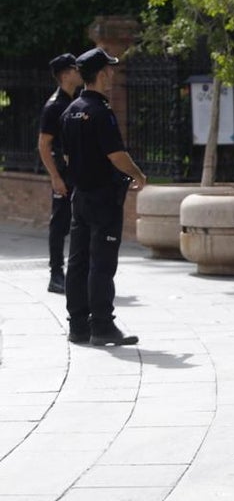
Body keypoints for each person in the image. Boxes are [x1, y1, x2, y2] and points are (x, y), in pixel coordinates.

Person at [60, 48, 147, 346]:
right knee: (102, 264)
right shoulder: (101, 112)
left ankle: (78, 326)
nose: (112, 74)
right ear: (100, 74)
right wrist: (138, 174)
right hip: (103, 198)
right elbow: (116, 155)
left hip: (80, 196)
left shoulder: (70, 111)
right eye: (108, 70)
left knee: (78, 261)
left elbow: (68, 157)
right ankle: (102, 326)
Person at [37, 53, 82, 294]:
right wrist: (55, 177)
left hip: (76, 172)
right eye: (76, 69)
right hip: (63, 173)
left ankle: (78, 271)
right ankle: (56, 274)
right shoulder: (55, 106)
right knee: (60, 223)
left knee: (80, 222)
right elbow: (44, 144)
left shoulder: (75, 101)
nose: (79, 72)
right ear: (65, 74)